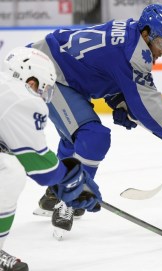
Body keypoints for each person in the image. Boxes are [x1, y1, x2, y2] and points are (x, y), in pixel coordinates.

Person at [28, 4, 162, 229]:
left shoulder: (128, 35)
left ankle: (55, 193)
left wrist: (118, 100)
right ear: (146, 33)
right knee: (93, 136)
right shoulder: (135, 53)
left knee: (74, 136)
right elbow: (150, 108)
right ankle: (70, 197)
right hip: (45, 74)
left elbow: (99, 67)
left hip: (50, 67)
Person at [0, 47, 102, 271]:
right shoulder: (21, 98)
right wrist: (74, 182)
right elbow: (40, 167)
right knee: (10, 171)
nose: (41, 96)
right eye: (43, 88)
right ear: (30, 78)